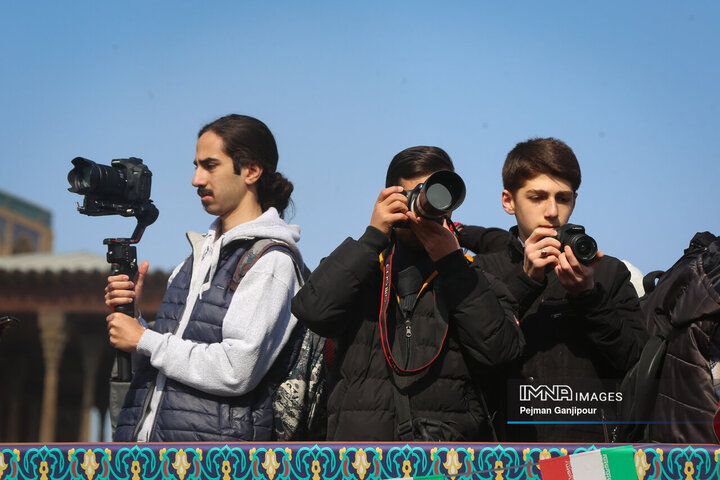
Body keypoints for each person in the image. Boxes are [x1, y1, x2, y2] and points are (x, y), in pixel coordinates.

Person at [291, 146, 524, 441]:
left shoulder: (473, 278)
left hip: (446, 464)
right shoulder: (363, 268)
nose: (426, 206)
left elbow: (502, 353)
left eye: (437, 196)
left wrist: (453, 266)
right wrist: (373, 237)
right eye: (415, 193)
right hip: (364, 462)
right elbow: (313, 310)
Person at [104, 114, 305, 442]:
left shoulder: (270, 261)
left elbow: (236, 369)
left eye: (210, 166)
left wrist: (144, 338)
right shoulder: (193, 260)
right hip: (150, 459)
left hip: (212, 463)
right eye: (196, 166)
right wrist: (133, 317)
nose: (196, 179)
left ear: (252, 171)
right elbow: (168, 363)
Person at [472, 137, 647, 442]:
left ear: (574, 200)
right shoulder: (482, 272)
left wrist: (590, 297)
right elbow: (472, 364)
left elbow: (637, 366)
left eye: (563, 198)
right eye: (537, 197)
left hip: (594, 455)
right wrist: (525, 282)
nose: (552, 211)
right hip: (507, 458)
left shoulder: (607, 271)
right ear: (508, 201)